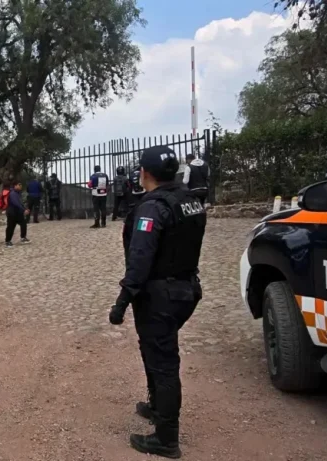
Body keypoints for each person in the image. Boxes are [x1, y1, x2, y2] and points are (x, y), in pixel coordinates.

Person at [108, 145, 206, 459]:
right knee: (153, 348)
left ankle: (166, 438)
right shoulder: (190, 200)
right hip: (185, 289)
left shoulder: (152, 208)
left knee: (163, 362)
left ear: (144, 173)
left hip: (160, 295)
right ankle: (156, 407)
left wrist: (122, 301)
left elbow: (140, 258)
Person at [5, 181, 30, 247]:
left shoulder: (18, 193)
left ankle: (23, 237)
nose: (20, 186)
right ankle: (8, 241)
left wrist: (25, 209)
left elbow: (20, 203)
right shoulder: (12, 194)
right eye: (19, 185)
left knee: (23, 223)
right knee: (11, 227)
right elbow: (16, 203)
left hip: (18, 213)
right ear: (15, 186)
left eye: (21, 185)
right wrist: (23, 210)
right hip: (12, 213)